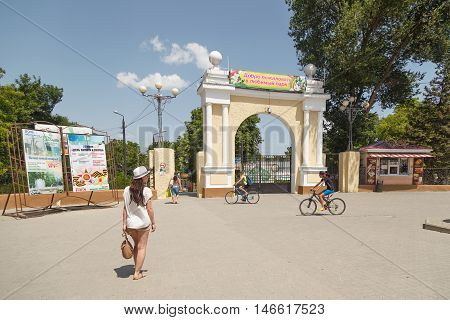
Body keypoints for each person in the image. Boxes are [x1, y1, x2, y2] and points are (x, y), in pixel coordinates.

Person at [122, 166, 156, 280]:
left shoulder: (127, 190)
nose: (148, 177)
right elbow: (150, 209)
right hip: (142, 224)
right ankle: (137, 273)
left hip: (130, 224)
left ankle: (137, 269)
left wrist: (124, 224)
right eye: (147, 175)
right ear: (143, 177)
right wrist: (153, 223)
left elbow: (125, 208)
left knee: (137, 246)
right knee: (142, 247)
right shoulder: (146, 190)